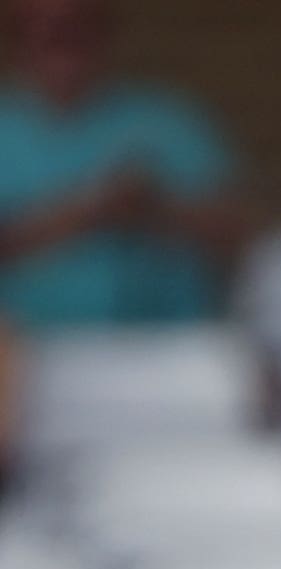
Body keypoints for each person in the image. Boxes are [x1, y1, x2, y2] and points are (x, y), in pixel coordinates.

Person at [0, 0, 238, 327]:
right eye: (42, 27)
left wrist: (153, 209)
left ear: (104, 31)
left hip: (164, 346)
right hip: (22, 352)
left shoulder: (169, 119)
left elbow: (235, 234)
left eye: (76, 26)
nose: (59, 38)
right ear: (17, 38)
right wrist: (87, 210)